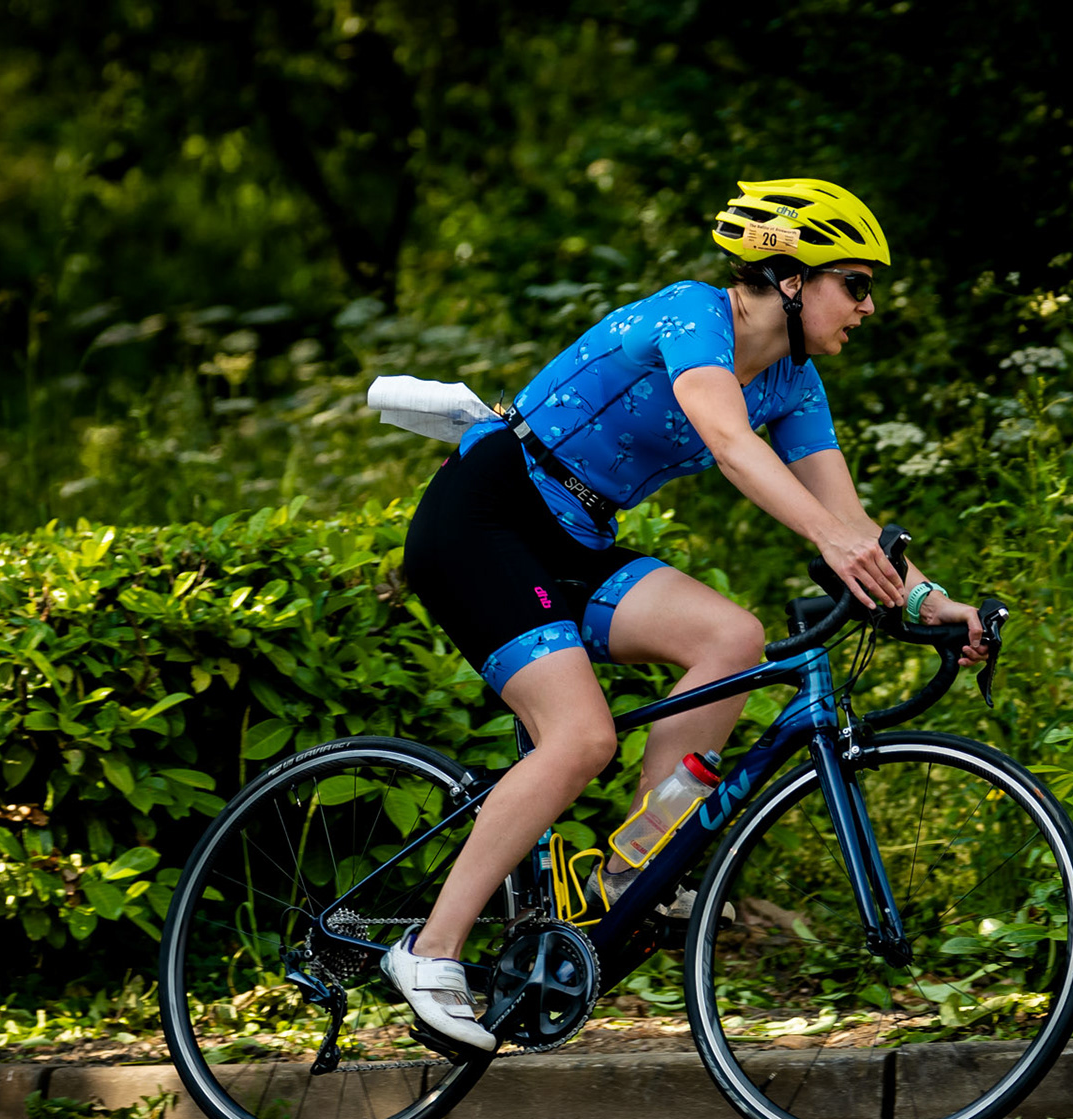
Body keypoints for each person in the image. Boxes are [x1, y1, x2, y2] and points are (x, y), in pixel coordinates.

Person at [386, 178, 990, 1050]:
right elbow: (730, 442)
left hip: (576, 538)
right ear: (790, 278)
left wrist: (930, 601)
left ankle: (638, 865)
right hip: (485, 516)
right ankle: (429, 952)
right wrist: (830, 542)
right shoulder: (691, 315)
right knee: (581, 737)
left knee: (731, 638)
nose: (868, 306)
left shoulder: (793, 382)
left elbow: (850, 519)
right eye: (856, 284)